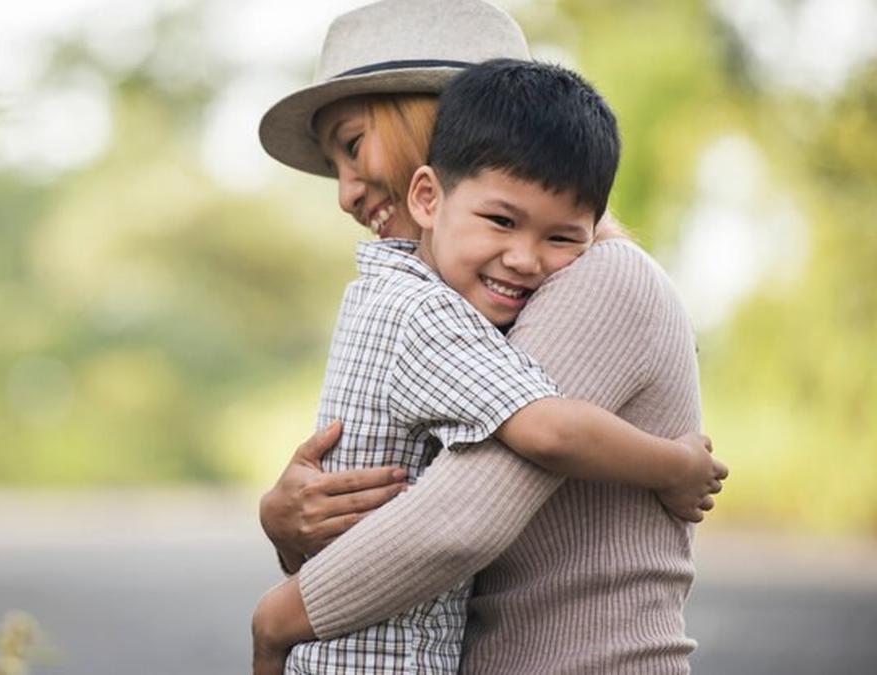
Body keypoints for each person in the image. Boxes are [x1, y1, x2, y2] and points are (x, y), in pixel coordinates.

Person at [251, 1, 728, 673]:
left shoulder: (596, 280)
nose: (346, 193)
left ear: (447, 123)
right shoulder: (463, 306)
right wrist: (286, 517)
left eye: (354, 145)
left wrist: (280, 617)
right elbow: (404, 496)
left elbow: (460, 516)